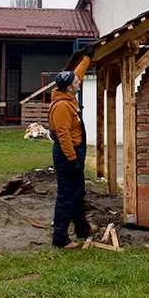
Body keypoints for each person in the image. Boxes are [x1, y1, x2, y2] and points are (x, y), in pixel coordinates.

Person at [49, 45, 98, 248]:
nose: (80, 81)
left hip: (73, 153)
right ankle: (60, 238)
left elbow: (77, 74)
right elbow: (63, 136)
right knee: (67, 196)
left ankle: (82, 228)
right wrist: (72, 159)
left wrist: (87, 57)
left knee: (78, 193)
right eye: (77, 82)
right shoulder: (61, 106)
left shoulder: (67, 94)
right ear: (70, 87)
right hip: (67, 154)